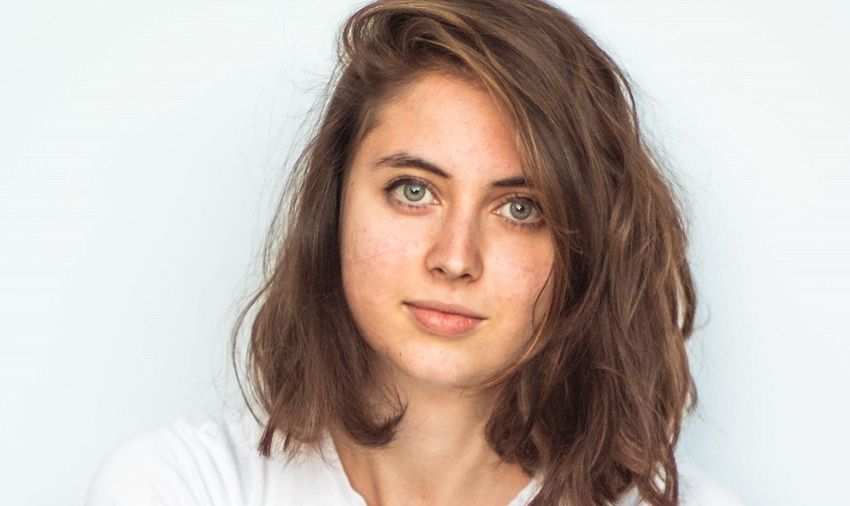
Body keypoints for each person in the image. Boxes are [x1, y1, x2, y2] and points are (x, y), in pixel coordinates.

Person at [86, 0, 720, 504]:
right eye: (413, 190)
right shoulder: (181, 486)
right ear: (334, 205)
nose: (455, 258)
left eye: (520, 208)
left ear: (586, 247)